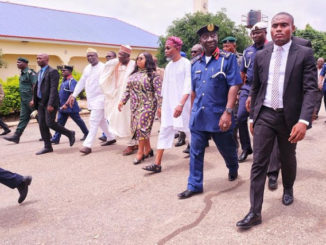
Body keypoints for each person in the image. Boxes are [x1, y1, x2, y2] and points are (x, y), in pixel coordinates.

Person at [237, 12, 318, 229]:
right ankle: (255, 212)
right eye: (275, 25)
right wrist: (253, 115)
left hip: (289, 118)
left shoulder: (304, 54)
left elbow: (311, 89)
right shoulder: (261, 55)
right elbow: (256, 87)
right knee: (258, 163)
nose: (279, 29)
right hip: (265, 114)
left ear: (292, 28)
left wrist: (303, 120)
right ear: (270, 30)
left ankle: (288, 187)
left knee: (287, 156)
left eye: (284, 25)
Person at [178, 24, 241, 199]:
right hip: (199, 116)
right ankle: (194, 185)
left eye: (213, 35)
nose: (211, 39)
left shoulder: (227, 59)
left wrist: (228, 112)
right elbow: (193, 91)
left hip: (219, 116)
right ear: (201, 40)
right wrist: (191, 112)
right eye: (206, 36)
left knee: (227, 149)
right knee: (195, 151)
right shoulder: (194, 63)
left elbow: (234, 85)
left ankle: (233, 166)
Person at [143, 36, 191, 173]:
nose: (165, 50)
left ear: (177, 48)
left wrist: (181, 105)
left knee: (190, 132)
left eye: (168, 48)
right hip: (169, 105)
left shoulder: (186, 63)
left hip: (183, 106)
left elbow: (188, 86)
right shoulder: (169, 66)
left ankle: (196, 161)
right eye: (165, 48)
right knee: (164, 131)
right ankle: (157, 163)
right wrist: (161, 106)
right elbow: (165, 88)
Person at [67, 48, 116, 154]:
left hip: (101, 98)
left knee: (93, 121)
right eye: (88, 56)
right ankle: (111, 137)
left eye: (92, 55)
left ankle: (87, 145)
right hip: (92, 99)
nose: (90, 57)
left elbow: (112, 81)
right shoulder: (87, 68)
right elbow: (81, 82)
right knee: (102, 121)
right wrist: (74, 95)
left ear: (97, 56)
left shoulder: (104, 67)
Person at [118, 52, 162, 164]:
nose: (138, 60)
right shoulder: (133, 76)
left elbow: (160, 93)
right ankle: (148, 149)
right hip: (135, 106)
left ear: (148, 60)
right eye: (137, 58)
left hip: (148, 105)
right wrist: (122, 101)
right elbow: (127, 91)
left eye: (141, 58)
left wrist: (160, 107)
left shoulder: (153, 75)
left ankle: (140, 153)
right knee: (138, 128)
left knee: (142, 127)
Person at [31, 54, 75, 155]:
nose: (38, 60)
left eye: (40, 58)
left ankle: (69, 133)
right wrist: (33, 99)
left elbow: (53, 89)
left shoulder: (52, 71)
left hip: (50, 102)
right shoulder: (38, 73)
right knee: (42, 124)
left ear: (46, 60)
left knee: (50, 123)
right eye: (37, 58)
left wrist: (50, 104)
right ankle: (47, 147)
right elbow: (36, 88)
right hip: (40, 102)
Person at [237, 22, 268, 163]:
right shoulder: (247, 51)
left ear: (265, 32)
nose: (255, 35)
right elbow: (242, 72)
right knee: (240, 117)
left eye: (258, 32)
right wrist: (240, 90)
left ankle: (262, 151)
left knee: (260, 122)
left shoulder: (271, 48)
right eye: (253, 33)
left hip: (264, 89)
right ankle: (246, 148)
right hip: (248, 87)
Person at [99, 45, 137, 155]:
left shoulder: (133, 65)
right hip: (118, 97)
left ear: (128, 56)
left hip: (130, 98)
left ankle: (131, 145)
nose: (119, 57)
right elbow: (105, 75)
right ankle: (133, 143)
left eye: (122, 55)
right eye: (118, 54)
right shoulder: (115, 64)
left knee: (130, 120)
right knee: (121, 120)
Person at [50, 65, 89, 144]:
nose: (62, 72)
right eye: (62, 70)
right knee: (60, 123)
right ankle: (56, 138)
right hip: (62, 107)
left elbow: (72, 94)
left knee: (78, 121)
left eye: (64, 70)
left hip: (71, 107)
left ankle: (87, 133)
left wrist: (66, 105)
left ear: (70, 72)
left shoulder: (72, 81)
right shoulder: (64, 81)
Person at [4, 58, 37, 143]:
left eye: (19, 62)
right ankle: (16, 136)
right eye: (17, 62)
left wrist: (34, 99)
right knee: (23, 118)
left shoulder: (30, 73)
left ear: (25, 63)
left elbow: (35, 86)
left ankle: (49, 135)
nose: (17, 64)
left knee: (40, 118)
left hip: (31, 101)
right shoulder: (22, 73)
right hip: (24, 101)